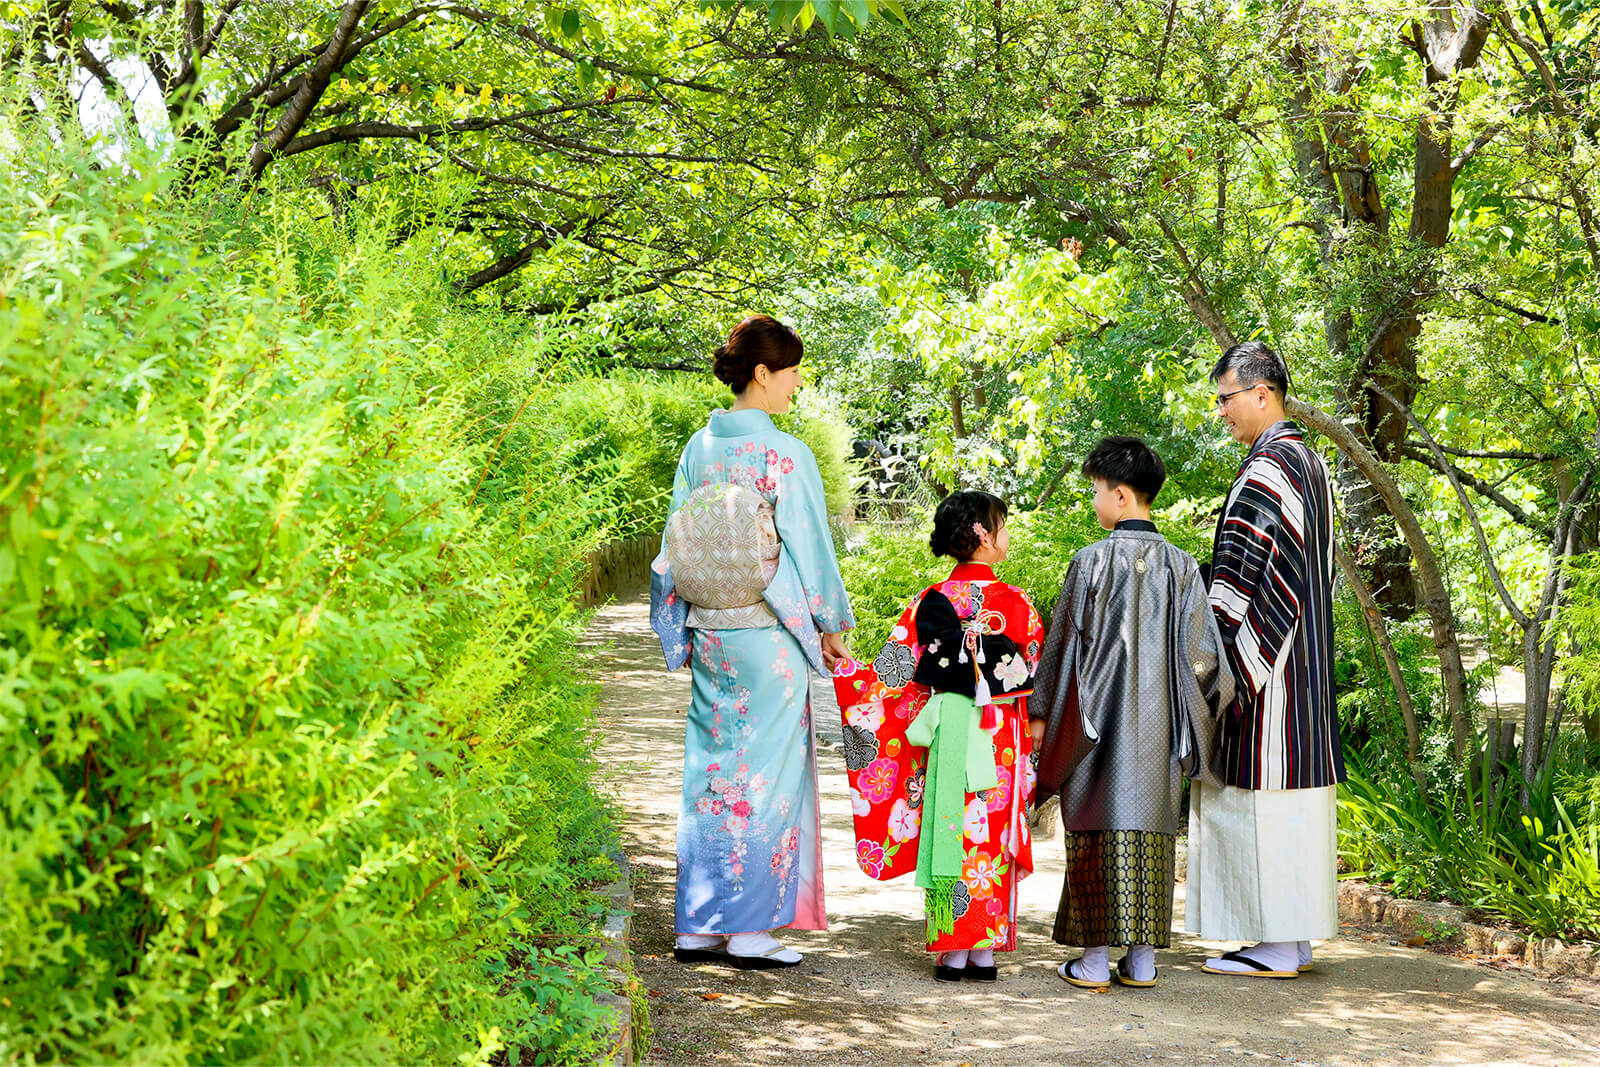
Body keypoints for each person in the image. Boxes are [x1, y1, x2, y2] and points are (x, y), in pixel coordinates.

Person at [650, 314, 855, 970]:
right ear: (763, 373)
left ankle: (698, 925)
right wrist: (829, 623)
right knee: (764, 777)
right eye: (791, 370)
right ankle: (748, 928)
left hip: (713, 628)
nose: (796, 383)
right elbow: (809, 544)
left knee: (713, 772)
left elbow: (675, 544)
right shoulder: (783, 454)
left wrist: (674, 624)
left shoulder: (698, 449)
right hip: (767, 634)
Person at [1030, 437, 1234, 990]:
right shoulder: (1184, 567)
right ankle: (1142, 960)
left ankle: (1094, 961)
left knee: (1094, 827)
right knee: (1151, 833)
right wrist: (1198, 719)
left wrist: (1044, 715)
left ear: (1120, 495)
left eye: (1096, 491)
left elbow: (1064, 651)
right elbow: (1203, 658)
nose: (1094, 500)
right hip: (1160, 730)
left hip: (1096, 725)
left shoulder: (1090, 562)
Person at [832, 491, 1044, 982]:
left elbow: (894, 674)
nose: (1006, 534)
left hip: (947, 726)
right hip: (998, 734)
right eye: (1002, 525)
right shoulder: (1017, 604)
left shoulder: (927, 603)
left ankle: (952, 949)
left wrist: (849, 671)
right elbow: (1029, 670)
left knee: (951, 825)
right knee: (988, 834)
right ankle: (984, 951)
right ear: (983, 535)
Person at [1188, 340, 1343, 978]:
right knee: (1297, 807)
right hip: (1306, 662)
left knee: (1257, 801)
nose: (1222, 411)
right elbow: (1319, 575)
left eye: (1226, 399)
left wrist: (1213, 662)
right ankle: (1294, 938)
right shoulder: (1310, 464)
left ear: (1261, 393)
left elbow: (1236, 581)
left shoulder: (1265, 470)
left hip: (1265, 669)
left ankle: (1274, 944)